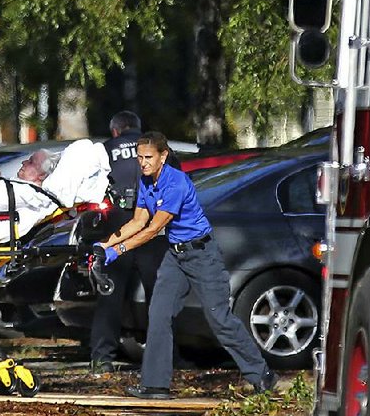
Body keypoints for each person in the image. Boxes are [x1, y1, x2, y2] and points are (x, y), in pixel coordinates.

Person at [96, 131, 278, 399]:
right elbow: (137, 222)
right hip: (176, 256)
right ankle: (155, 385)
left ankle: (262, 375)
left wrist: (118, 250)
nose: (142, 163)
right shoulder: (146, 181)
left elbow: (152, 229)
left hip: (202, 254)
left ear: (163, 156)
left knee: (220, 319)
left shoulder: (176, 183)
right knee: (158, 313)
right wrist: (105, 245)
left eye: (148, 157)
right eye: (139, 158)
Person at [89, 112, 174, 375]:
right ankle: (165, 360)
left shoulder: (104, 151)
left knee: (110, 297)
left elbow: (90, 189)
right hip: (153, 231)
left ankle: (102, 359)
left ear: (116, 131)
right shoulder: (159, 150)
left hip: (117, 229)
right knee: (158, 299)